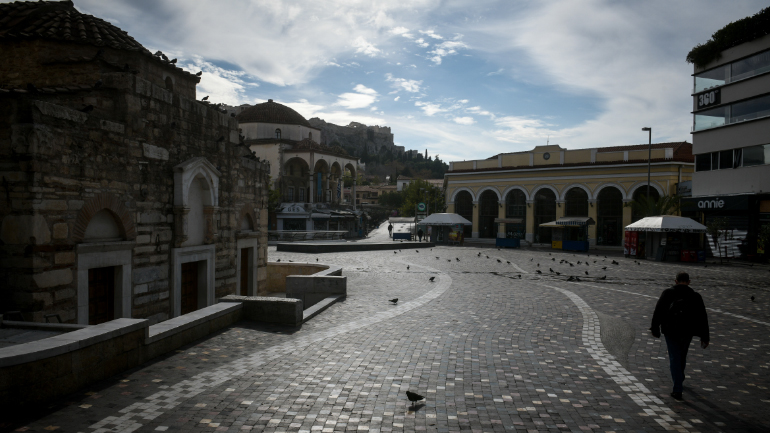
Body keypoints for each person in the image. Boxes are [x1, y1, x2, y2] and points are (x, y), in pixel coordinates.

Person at [650, 271, 709, 401]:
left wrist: (655, 328)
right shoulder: (695, 296)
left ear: (675, 281)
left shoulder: (668, 293)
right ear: (689, 282)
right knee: (682, 355)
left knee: (674, 357)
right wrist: (705, 336)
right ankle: (680, 377)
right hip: (687, 331)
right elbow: (702, 317)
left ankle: (677, 388)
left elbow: (658, 311)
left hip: (670, 330)